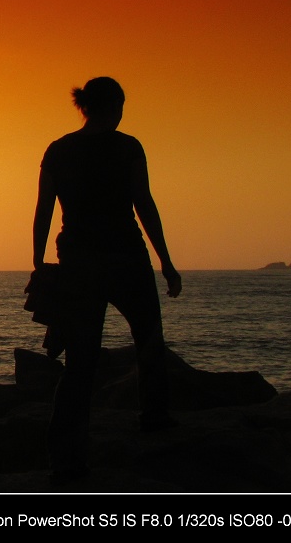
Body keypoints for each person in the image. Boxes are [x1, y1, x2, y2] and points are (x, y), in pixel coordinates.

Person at [31, 76, 181, 482]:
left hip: (78, 259)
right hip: (126, 256)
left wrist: (38, 260)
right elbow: (143, 203)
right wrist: (165, 260)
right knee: (148, 338)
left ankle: (66, 459)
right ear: (113, 106)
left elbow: (44, 207)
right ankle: (153, 418)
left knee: (80, 362)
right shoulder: (128, 147)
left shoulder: (59, 150)